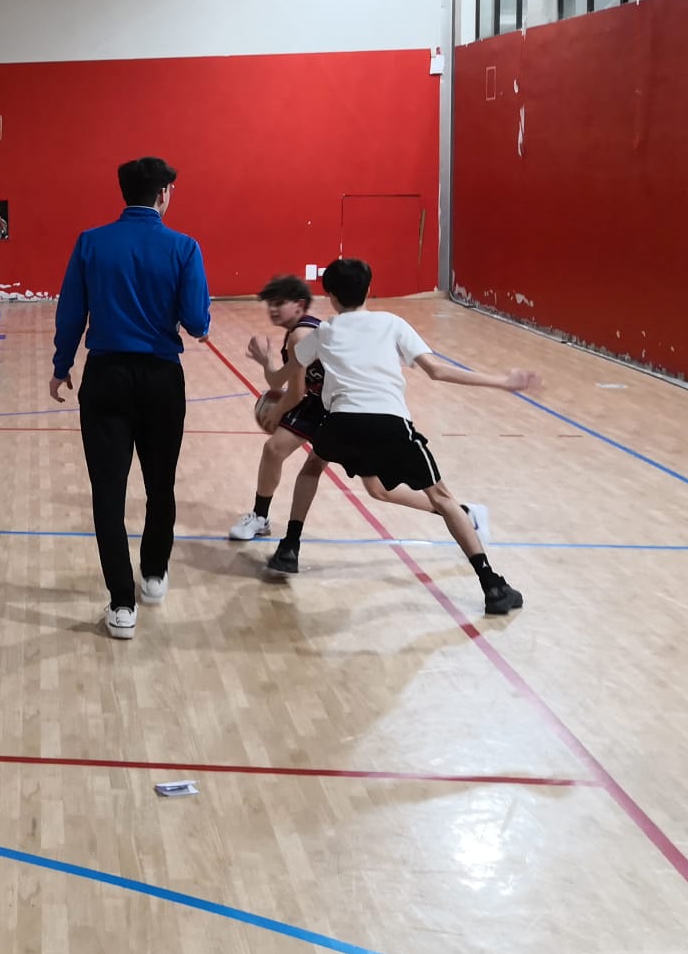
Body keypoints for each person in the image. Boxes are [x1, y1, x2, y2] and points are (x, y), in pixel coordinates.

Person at [267, 257, 534, 614]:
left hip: (341, 423)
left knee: (314, 466)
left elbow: (280, 379)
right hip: (390, 423)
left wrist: (264, 362)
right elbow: (437, 371)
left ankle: (289, 547)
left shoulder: (323, 332)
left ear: (330, 296)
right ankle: (492, 586)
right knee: (442, 497)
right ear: (368, 289)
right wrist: (502, 381)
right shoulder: (392, 323)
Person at [49, 157, 211, 641]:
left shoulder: (90, 242)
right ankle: (154, 574)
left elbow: (71, 311)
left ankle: (122, 604)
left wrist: (61, 365)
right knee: (161, 484)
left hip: (105, 378)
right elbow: (196, 321)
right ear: (163, 194)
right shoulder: (184, 247)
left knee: (108, 493)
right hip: (162, 379)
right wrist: (201, 322)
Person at [229, 274, 329, 569]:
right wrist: (265, 361)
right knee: (273, 450)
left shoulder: (302, 335)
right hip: (317, 401)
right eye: (269, 304)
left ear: (299, 305)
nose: (272, 309)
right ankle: (260, 517)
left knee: (377, 487)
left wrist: (276, 413)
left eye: (279, 303)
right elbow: (278, 380)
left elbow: (294, 393)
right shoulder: (297, 332)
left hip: (338, 406)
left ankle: (446, 506)